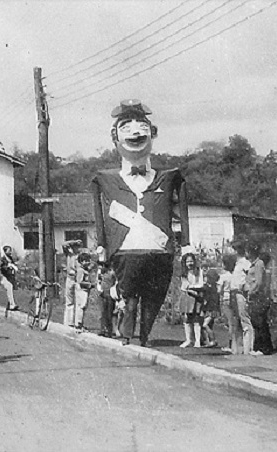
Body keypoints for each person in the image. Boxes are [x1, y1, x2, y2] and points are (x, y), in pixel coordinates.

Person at [91, 99, 190, 347]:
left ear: (153, 133)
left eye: (142, 126)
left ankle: (143, 337)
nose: (135, 132)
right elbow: (97, 207)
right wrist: (101, 243)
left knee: (154, 298)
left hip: (160, 251)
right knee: (130, 298)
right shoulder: (105, 179)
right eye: (126, 127)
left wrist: (186, 243)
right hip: (124, 251)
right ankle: (128, 336)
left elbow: (184, 201)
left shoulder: (168, 178)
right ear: (114, 137)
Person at [246, 241, 273, 355]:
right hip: (256, 296)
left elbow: (259, 282)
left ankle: (264, 348)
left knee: (260, 322)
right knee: (257, 322)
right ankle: (259, 347)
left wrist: (250, 292)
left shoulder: (258, 264)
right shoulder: (254, 264)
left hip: (258, 296)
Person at [230, 239, 255, 355]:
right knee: (237, 321)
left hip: (241, 294)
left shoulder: (245, 263)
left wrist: (245, 287)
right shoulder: (237, 264)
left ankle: (248, 348)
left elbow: (250, 278)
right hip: (234, 293)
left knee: (245, 321)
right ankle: (239, 348)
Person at [179, 253, 205, 348]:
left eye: (191, 261)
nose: (189, 263)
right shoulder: (184, 273)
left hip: (197, 296)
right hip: (187, 296)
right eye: (187, 261)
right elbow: (184, 286)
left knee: (196, 319)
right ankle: (188, 340)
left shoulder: (199, 271)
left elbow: (201, 284)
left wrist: (192, 287)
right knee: (187, 318)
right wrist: (190, 288)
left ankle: (197, 341)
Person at [218, 254, 239, 353]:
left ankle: (230, 345)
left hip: (225, 299)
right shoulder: (234, 275)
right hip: (234, 298)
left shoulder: (223, 276)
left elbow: (219, 290)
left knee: (229, 323)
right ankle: (235, 344)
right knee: (233, 322)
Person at [62, 240, 81, 327]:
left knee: (78, 301)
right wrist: (73, 241)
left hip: (77, 279)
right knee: (69, 301)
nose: (75, 248)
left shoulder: (80, 256)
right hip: (70, 278)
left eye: (76, 246)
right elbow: (64, 244)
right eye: (73, 246)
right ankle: (68, 322)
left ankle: (77, 322)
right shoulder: (69, 254)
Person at [97, 260, 117, 337]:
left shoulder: (112, 273)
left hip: (110, 294)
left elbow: (114, 282)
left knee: (109, 313)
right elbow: (99, 282)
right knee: (103, 312)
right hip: (103, 294)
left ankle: (109, 331)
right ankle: (103, 329)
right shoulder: (101, 273)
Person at [74, 252, 93, 331]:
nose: (88, 262)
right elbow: (80, 281)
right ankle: (78, 324)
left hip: (84, 290)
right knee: (81, 306)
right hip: (82, 290)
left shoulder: (85, 270)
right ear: (82, 261)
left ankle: (80, 323)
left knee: (83, 307)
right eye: (86, 260)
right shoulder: (81, 271)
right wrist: (90, 284)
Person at [201, 268, 220, 347]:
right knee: (209, 325)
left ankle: (213, 340)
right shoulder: (214, 288)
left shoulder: (211, 288)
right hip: (211, 309)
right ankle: (208, 340)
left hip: (212, 310)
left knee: (205, 325)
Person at [0, 245, 19, 317]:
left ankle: (10, 304)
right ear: (5, 251)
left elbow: (13, 264)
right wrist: (8, 266)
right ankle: (12, 304)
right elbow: (2, 267)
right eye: (9, 250)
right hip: (5, 276)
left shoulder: (10, 258)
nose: (10, 252)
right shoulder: (3, 259)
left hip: (11, 276)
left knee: (10, 290)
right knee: (9, 288)